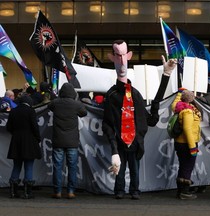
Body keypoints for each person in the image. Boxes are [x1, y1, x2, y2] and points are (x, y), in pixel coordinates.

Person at [102, 39, 176, 200]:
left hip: (135, 142)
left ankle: (134, 190)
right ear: (112, 57)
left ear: (128, 56)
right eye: (117, 56)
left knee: (134, 169)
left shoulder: (135, 94)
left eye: (123, 56)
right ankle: (120, 190)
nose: (121, 61)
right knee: (120, 169)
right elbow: (107, 123)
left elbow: (151, 119)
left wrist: (166, 76)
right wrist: (114, 150)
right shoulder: (112, 95)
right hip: (120, 141)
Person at [48, 82, 87, 199]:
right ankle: (70, 191)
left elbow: (49, 106)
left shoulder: (56, 103)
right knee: (72, 167)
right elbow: (84, 113)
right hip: (72, 141)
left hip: (58, 140)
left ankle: (58, 191)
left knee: (57, 167)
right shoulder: (76, 104)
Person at [6, 94, 42, 199]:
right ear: (29, 102)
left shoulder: (13, 111)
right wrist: (38, 138)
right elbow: (35, 127)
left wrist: (16, 133)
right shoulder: (31, 111)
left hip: (16, 141)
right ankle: (27, 193)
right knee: (28, 166)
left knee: (16, 166)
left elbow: (9, 127)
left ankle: (13, 192)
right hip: (29, 141)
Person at [171, 89, 201, 200]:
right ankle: (184, 192)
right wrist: (192, 146)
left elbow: (174, 103)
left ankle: (180, 191)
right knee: (187, 167)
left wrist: (180, 93)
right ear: (191, 99)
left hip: (180, 143)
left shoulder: (178, 107)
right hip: (187, 143)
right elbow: (187, 128)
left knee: (183, 166)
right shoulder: (188, 111)